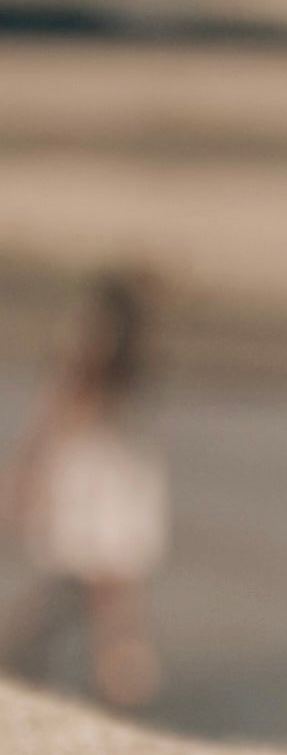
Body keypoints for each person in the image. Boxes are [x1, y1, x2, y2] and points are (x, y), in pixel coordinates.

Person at [3, 267, 168, 710]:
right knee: (109, 594)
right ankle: (120, 688)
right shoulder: (129, 345)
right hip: (117, 470)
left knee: (92, 590)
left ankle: (107, 684)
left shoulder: (89, 342)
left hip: (93, 470)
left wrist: (28, 476)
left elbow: (56, 412)